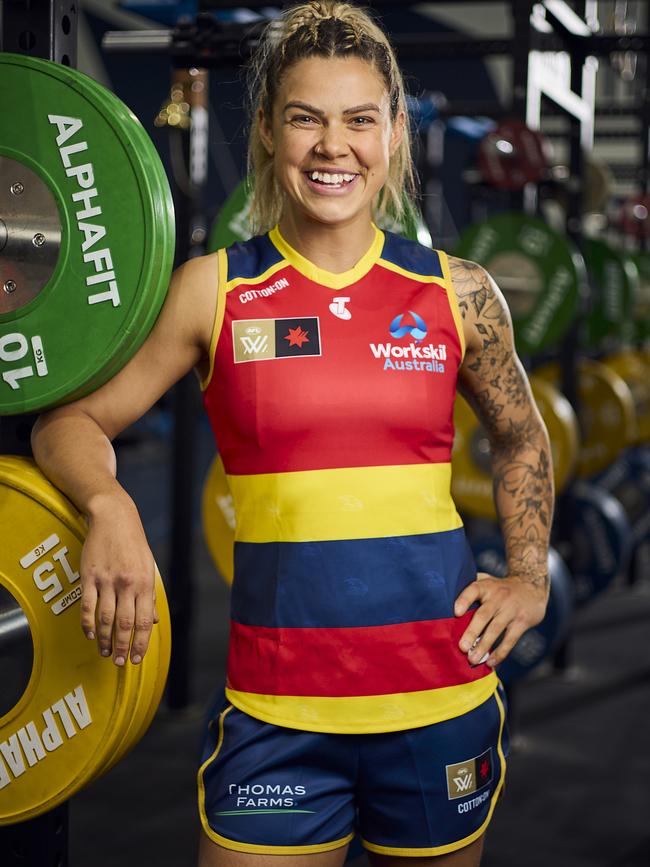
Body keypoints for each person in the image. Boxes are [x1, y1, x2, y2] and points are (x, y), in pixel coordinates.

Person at [31, 2, 554, 865]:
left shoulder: (459, 293)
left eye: (358, 120)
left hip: (438, 704)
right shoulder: (216, 291)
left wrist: (530, 577)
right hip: (276, 714)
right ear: (271, 129)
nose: (331, 146)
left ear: (392, 135)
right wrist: (107, 501)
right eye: (306, 118)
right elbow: (74, 418)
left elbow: (525, 436)